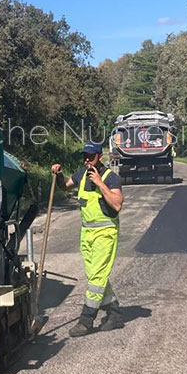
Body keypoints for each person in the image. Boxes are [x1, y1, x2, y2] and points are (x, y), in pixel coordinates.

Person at [51, 141, 125, 336]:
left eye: (90, 156)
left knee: (97, 276)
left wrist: (100, 184)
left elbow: (117, 205)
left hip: (105, 233)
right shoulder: (81, 175)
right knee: (95, 276)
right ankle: (115, 313)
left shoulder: (111, 178)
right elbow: (64, 186)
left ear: (100, 157)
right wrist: (58, 174)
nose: (86, 160)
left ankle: (86, 319)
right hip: (87, 233)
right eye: (84, 156)